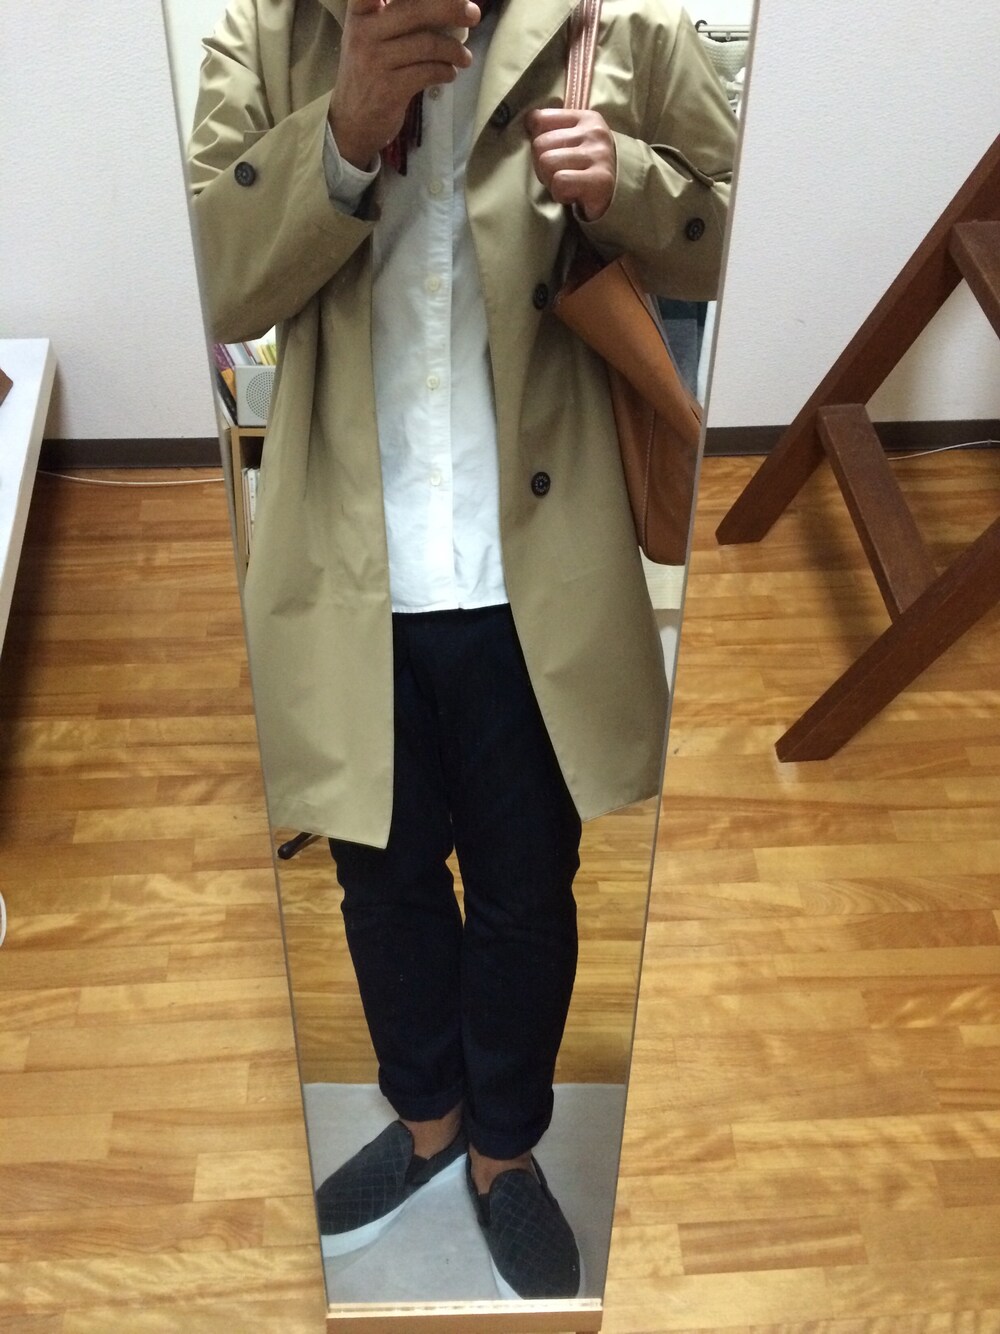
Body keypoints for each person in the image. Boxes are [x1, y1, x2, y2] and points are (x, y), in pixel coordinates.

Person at [188, 0, 735, 1300]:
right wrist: (341, 135)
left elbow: (732, 237)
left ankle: (504, 1148)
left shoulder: (620, 20)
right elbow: (211, 280)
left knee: (528, 884)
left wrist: (625, 180)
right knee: (378, 885)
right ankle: (427, 1117)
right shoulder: (267, 30)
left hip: (533, 568)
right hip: (346, 566)